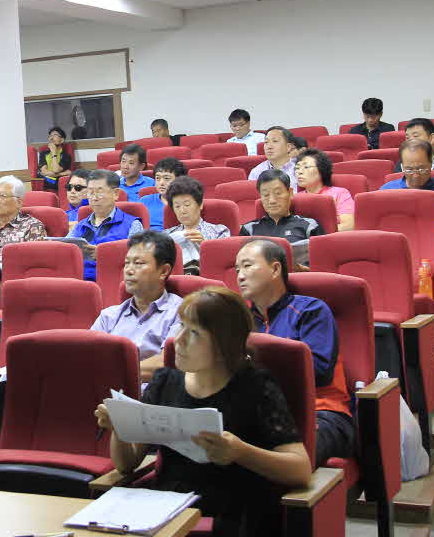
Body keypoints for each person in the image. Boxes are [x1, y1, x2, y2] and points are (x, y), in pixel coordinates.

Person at [94, 288, 311, 537]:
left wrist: (241, 452)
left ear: (224, 344)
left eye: (194, 333)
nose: (179, 340)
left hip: (234, 512)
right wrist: (119, 428)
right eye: (181, 326)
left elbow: (300, 470)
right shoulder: (165, 382)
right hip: (166, 510)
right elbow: (126, 465)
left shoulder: (256, 387)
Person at [235, 240, 355, 467]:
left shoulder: (311, 310)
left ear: (275, 269)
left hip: (321, 412)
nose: (240, 276)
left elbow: (319, 373)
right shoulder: (241, 321)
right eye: (237, 269)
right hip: (264, 413)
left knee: (277, 455)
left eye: (247, 266)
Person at [90, 231, 183, 377]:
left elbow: (170, 361)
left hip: (154, 391)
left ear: (164, 271)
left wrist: (113, 373)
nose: (128, 270)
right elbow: (89, 357)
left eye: (138, 263)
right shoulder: (109, 316)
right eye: (127, 263)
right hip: (108, 389)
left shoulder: (181, 312)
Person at [69, 169, 143, 281]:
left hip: (113, 282)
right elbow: (64, 250)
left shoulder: (132, 224)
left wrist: (106, 255)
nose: (94, 198)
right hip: (79, 282)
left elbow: (139, 260)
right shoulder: (80, 226)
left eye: (99, 192)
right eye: (91, 192)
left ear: (115, 194)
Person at [0, 175, 48, 265]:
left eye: (2, 196)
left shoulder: (32, 227)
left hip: (16, 273)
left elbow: (35, 264)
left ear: (19, 202)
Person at [241, 170, 324, 246]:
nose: (272, 201)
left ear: (290, 193)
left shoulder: (310, 226)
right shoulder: (249, 229)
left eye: (278, 193)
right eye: (266, 195)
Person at [163, 177, 229, 268]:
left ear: (200, 204)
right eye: (177, 206)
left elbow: (225, 263)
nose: (182, 211)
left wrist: (204, 245)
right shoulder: (166, 235)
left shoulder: (219, 231)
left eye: (187, 205)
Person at [293, 150, 354, 231]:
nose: (299, 172)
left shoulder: (339, 193)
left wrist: (317, 234)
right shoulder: (295, 198)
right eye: (297, 168)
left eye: (306, 167)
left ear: (322, 170)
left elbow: (349, 225)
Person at [140, 158, 186, 231]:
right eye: (158, 178)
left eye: (166, 178)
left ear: (180, 180)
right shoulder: (144, 201)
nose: (161, 183)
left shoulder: (187, 203)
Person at [36, 126, 72, 191]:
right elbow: (44, 172)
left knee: (57, 181)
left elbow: (56, 170)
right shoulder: (43, 153)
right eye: (50, 136)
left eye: (55, 135)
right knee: (41, 176)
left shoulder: (66, 156)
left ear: (62, 140)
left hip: (56, 182)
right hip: (47, 179)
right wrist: (62, 173)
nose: (51, 138)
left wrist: (54, 153)